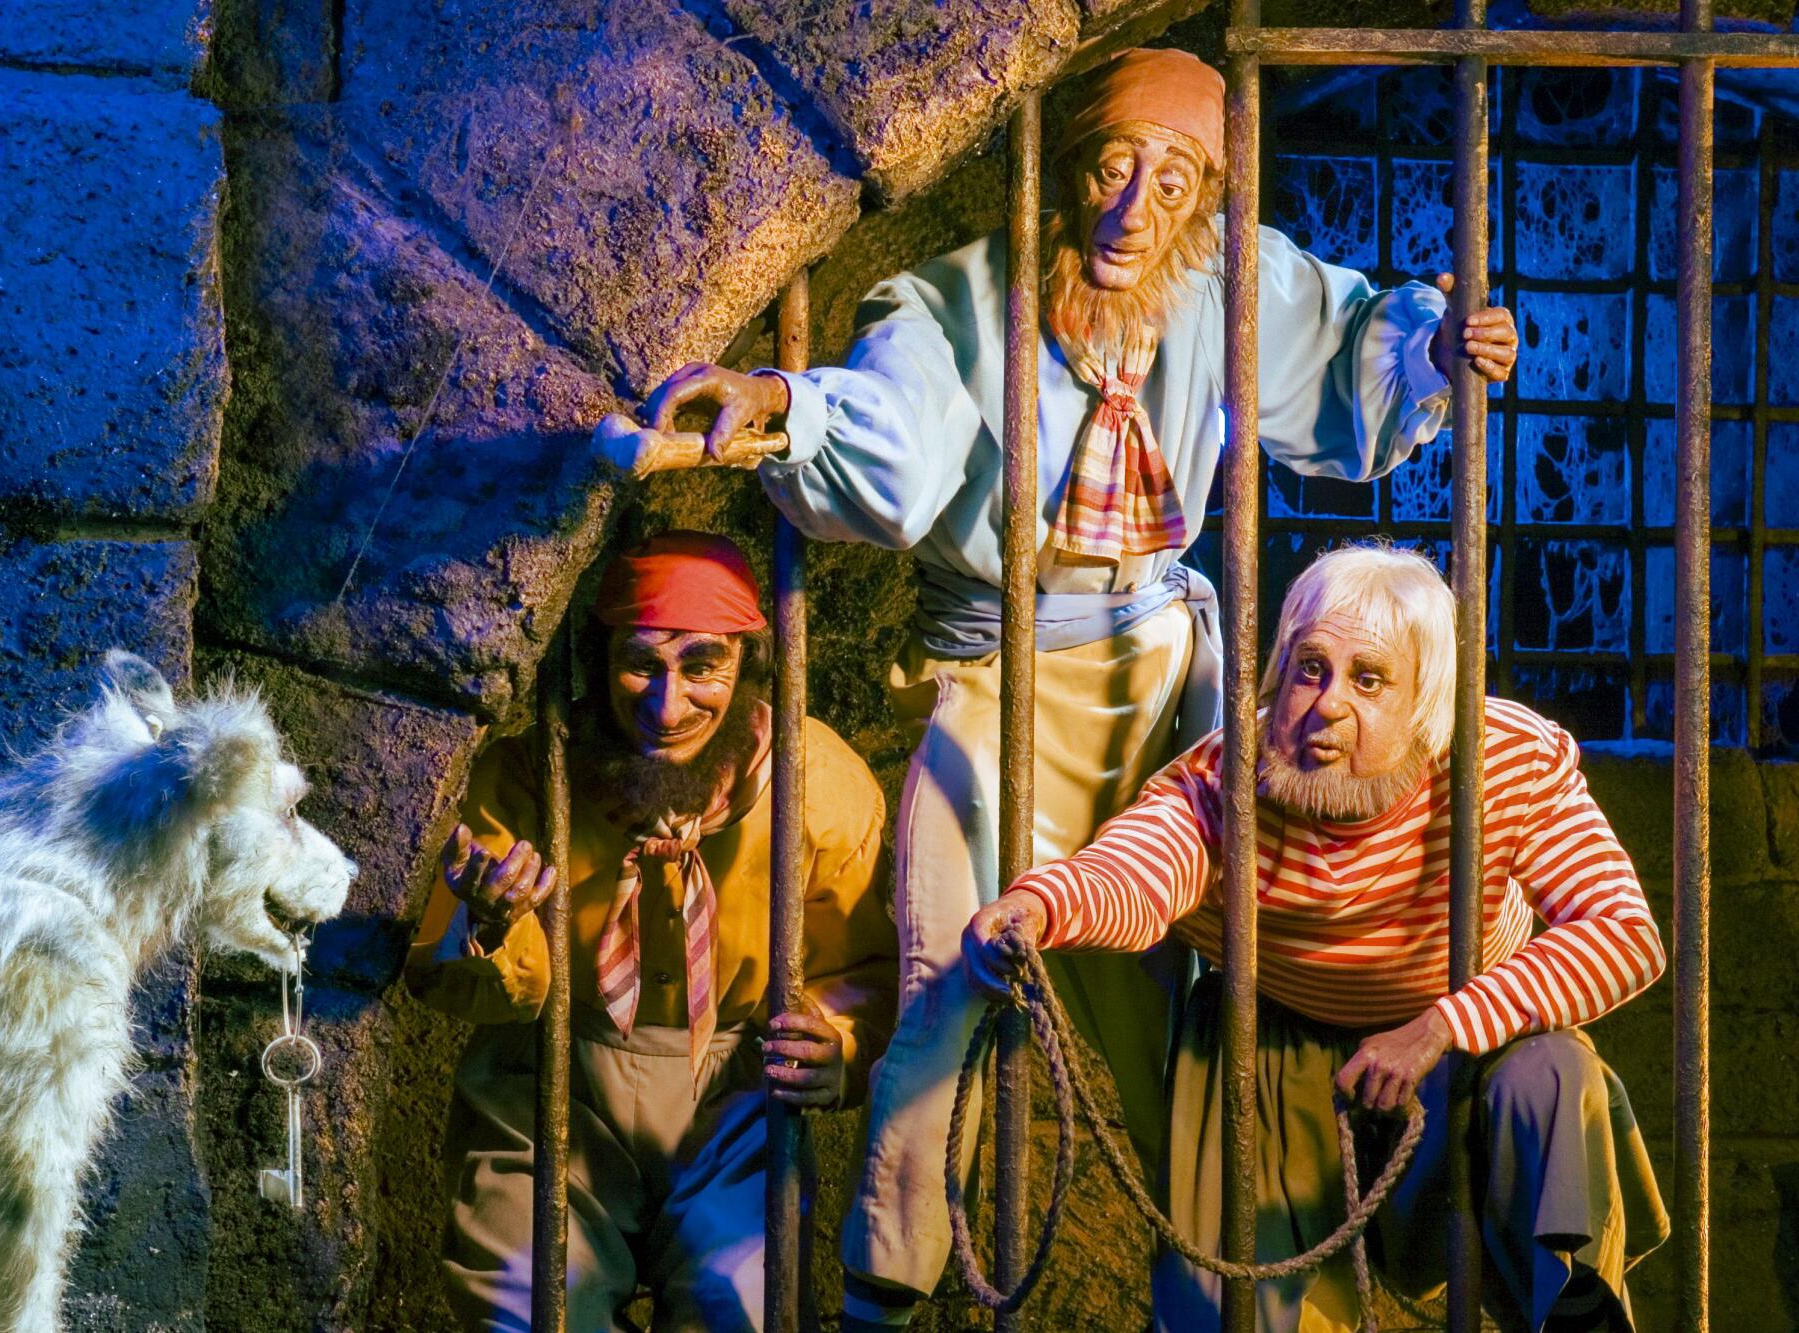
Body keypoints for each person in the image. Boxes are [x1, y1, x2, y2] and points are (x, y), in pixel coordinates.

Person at [634, 46, 1520, 1328]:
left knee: (1207, 992)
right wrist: (780, 403)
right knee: (947, 965)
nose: (1131, 212)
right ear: (1059, 168)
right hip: (1002, 675)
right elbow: (891, 438)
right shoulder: (954, 305)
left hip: (1166, 671)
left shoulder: (1225, 283)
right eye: (1113, 169)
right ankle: (889, 1271)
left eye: (1172, 187)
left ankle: (1244, 1274)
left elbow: (1340, 351)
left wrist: (1436, 348)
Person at [964, 544, 1669, 1332]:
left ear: (1425, 702)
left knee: (1551, 1072)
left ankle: (1575, 1311)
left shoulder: (1507, 759)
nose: (1328, 703)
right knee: (1213, 1307)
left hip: (1455, 1050)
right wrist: (1041, 905)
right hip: (1267, 1055)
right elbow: (1139, 867)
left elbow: (1625, 932)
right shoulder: (1228, 774)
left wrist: (1442, 1026)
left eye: (1368, 678)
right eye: (1309, 668)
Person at [404, 530, 898, 1333]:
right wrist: (490, 923)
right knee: (526, 1308)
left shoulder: (819, 789)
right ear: (597, 660)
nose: (667, 708)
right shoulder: (529, 778)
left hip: (736, 1092)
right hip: (555, 1081)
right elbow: (450, 973)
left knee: (745, 1306)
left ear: (750, 665)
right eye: (641, 663)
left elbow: (873, 966)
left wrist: (838, 1043)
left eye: (703, 665)